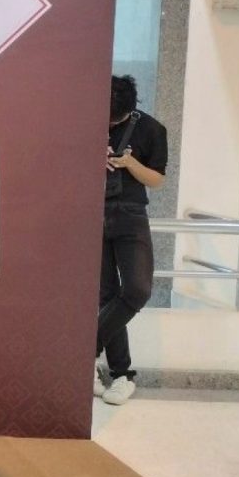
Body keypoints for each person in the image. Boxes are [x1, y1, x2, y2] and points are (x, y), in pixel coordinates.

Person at [95, 75, 167, 405]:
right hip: (93, 213)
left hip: (131, 214)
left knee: (137, 289)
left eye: (115, 119)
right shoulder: (88, 120)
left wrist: (129, 162)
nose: (108, 123)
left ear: (128, 109)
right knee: (108, 296)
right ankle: (121, 375)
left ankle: (85, 353)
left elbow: (157, 180)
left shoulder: (152, 129)